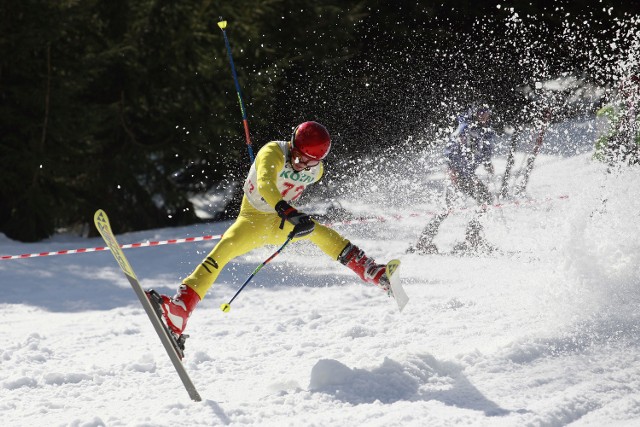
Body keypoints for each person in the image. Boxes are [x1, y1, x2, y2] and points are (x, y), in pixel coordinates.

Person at [150, 121, 392, 337]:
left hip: (281, 222)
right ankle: (181, 309)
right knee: (223, 251)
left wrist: (291, 214)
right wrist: (287, 210)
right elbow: (266, 184)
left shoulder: (316, 171)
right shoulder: (273, 152)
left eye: (309, 162)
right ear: (292, 144)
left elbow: (303, 175)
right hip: (253, 220)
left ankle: (371, 270)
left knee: (320, 233)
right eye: (298, 157)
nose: (301, 165)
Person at [407, 105, 496, 255]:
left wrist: (487, 162)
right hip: (458, 174)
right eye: (481, 112)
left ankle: (472, 236)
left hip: (468, 174)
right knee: (448, 207)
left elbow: (486, 148)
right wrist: (451, 169)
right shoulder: (465, 127)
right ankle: (424, 242)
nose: (484, 116)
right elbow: (451, 147)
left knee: (484, 200)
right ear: (475, 113)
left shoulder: (486, 130)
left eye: (486, 113)